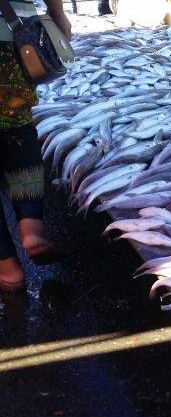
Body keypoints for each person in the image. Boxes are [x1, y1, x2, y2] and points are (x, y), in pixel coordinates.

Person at [0, 0, 70, 293]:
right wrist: (59, 15)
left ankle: (7, 266)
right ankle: (31, 227)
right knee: (17, 127)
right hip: (11, 38)